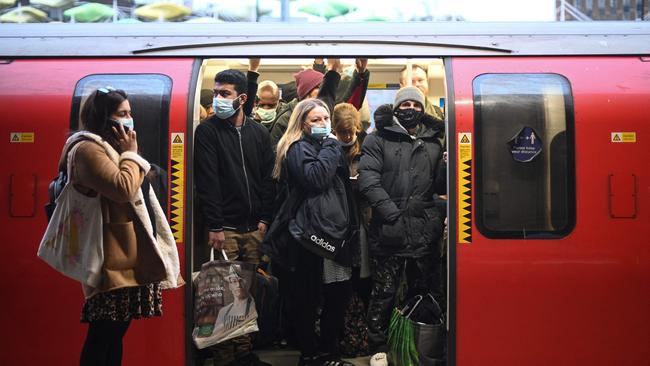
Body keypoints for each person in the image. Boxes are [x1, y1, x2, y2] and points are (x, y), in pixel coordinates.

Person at [68, 86, 182, 366]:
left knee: (115, 334)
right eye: (122, 114)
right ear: (103, 118)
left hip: (126, 253)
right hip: (110, 257)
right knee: (102, 335)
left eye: (129, 113)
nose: (129, 119)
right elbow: (122, 188)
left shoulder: (109, 148)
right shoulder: (87, 149)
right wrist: (131, 154)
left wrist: (128, 154)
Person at [264, 98, 357, 366]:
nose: (323, 124)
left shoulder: (324, 146)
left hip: (333, 232)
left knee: (337, 293)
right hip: (308, 236)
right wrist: (331, 143)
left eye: (326, 119)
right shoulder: (297, 148)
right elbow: (316, 178)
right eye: (316, 120)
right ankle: (310, 354)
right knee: (307, 297)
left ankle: (329, 352)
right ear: (302, 123)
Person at [358, 86, 446, 366]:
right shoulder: (377, 139)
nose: (410, 109)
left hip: (424, 230)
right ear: (396, 107)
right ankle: (379, 347)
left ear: (423, 108)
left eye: (416, 104)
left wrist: (445, 167)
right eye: (405, 103)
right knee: (383, 292)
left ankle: (416, 343)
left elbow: (440, 187)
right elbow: (367, 180)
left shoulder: (434, 141)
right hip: (390, 231)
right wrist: (392, 214)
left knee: (422, 291)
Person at [194, 69, 275, 366]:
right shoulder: (207, 132)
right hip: (224, 229)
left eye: (224, 94)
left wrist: (265, 218)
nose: (217, 99)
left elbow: (268, 179)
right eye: (215, 93)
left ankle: (243, 355)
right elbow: (208, 182)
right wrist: (214, 225)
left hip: (254, 228)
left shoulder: (258, 133)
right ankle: (224, 358)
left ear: (241, 98)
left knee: (248, 296)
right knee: (224, 298)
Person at [269, 58, 369, 151]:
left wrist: (361, 74)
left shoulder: (326, 114)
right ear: (306, 96)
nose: (323, 120)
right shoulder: (286, 119)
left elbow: (351, 102)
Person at [213, 264, 256, 339]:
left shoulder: (251, 305)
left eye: (240, 281)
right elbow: (215, 335)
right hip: (224, 348)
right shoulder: (223, 311)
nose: (238, 285)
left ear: (246, 284)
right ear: (229, 286)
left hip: (242, 347)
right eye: (234, 281)